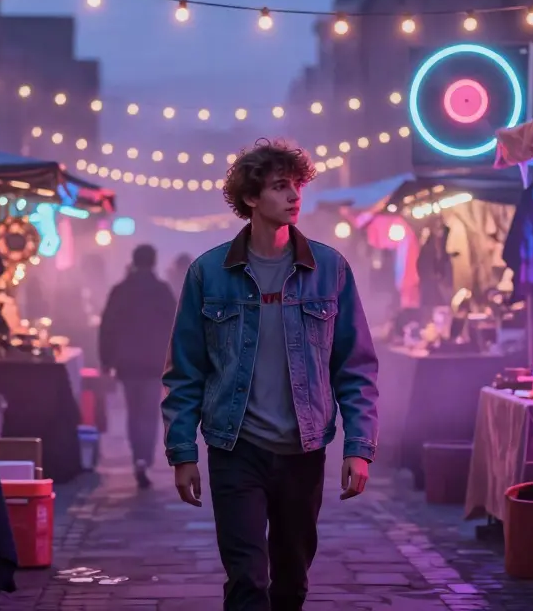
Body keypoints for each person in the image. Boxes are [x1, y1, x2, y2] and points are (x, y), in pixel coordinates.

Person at [162, 140, 380, 610]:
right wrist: (182, 453)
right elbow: (185, 371)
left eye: (297, 185)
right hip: (236, 448)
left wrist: (359, 448)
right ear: (251, 198)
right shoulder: (209, 273)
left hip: (303, 451)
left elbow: (355, 367)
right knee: (247, 581)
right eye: (280, 187)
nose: (294, 196)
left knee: (290, 584)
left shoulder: (329, 269)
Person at [99, 244, 178, 489]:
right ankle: (145, 456)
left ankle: (138, 459)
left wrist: (106, 360)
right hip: (154, 362)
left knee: (133, 413)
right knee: (149, 413)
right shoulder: (162, 291)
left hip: (127, 362)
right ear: (154, 262)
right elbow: (177, 327)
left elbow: (107, 327)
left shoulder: (121, 290)